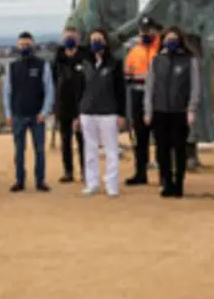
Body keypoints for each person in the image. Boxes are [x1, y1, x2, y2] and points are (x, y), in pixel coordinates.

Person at [143, 26, 200, 197]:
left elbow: (195, 87)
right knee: (162, 150)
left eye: (174, 38)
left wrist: (191, 108)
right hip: (160, 111)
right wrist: (148, 111)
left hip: (179, 111)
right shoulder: (157, 60)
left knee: (179, 149)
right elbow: (149, 87)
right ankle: (166, 181)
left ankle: (178, 183)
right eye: (168, 38)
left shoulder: (189, 60)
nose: (171, 41)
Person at [76, 29, 126, 197]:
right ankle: (92, 183)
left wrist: (121, 113)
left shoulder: (115, 63)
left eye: (99, 39)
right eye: (93, 40)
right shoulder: (85, 63)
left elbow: (121, 90)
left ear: (105, 41)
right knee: (90, 149)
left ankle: (111, 184)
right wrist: (78, 112)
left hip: (108, 113)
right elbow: (79, 90)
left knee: (111, 150)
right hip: (87, 112)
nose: (96, 42)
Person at [3, 31, 54, 192]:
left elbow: (49, 90)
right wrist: (8, 114)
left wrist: (44, 112)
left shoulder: (42, 65)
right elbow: (7, 92)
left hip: (37, 116)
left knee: (39, 150)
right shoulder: (12, 67)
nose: (25, 47)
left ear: (33, 45)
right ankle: (19, 181)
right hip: (18, 115)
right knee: (19, 151)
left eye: (28, 44)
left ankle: (41, 181)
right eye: (22, 44)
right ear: (18, 46)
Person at [124, 16, 162, 186]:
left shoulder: (162, 50)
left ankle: (164, 174)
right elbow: (128, 74)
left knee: (161, 137)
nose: (145, 33)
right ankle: (140, 173)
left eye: (149, 30)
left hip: (159, 97)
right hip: (138, 96)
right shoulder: (134, 52)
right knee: (140, 137)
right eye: (143, 31)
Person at [53, 27, 88, 183]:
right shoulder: (57, 59)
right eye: (67, 37)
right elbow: (53, 81)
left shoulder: (85, 58)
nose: (70, 40)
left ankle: (85, 171)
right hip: (63, 106)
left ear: (79, 39)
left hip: (82, 106)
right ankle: (68, 171)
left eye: (73, 37)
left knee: (83, 141)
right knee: (65, 140)